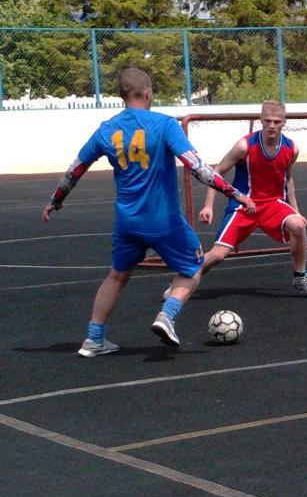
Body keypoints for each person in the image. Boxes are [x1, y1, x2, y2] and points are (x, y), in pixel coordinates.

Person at [42, 67, 256, 356]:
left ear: (122, 95)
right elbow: (198, 168)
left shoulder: (106, 129)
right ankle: (167, 315)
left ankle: (94, 339)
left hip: (127, 222)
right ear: (148, 93)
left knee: (116, 277)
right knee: (194, 266)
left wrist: (56, 199)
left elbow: (75, 169)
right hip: (163, 220)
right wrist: (236, 194)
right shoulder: (165, 125)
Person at [191, 99, 307, 297]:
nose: (272, 125)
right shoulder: (244, 145)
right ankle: (184, 282)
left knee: (298, 225)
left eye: (277, 121)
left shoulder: (291, 149)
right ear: (261, 119)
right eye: (268, 120)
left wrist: (295, 211)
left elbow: (288, 179)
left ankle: (300, 277)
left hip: (273, 203)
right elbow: (217, 172)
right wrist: (208, 205)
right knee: (218, 255)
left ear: (284, 122)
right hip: (244, 204)